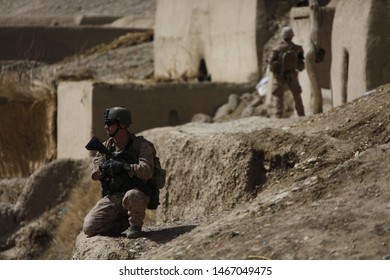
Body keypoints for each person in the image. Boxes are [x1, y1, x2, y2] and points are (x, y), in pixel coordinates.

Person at [82, 106, 155, 239]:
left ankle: (135, 226)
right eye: (105, 123)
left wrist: (124, 166)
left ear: (122, 124)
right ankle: (123, 223)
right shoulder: (105, 147)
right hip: (113, 197)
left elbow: (147, 171)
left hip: (136, 194)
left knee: (133, 195)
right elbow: (94, 174)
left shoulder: (141, 145)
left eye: (110, 123)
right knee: (88, 228)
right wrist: (104, 169)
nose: (106, 127)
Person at [269, 26, 305, 118]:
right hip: (292, 74)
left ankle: (278, 114)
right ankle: (301, 114)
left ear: (283, 36)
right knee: (297, 93)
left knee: (278, 94)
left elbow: (271, 61)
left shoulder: (277, 49)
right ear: (292, 36)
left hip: (280, 75)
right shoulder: (297, 48)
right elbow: (301, 61)